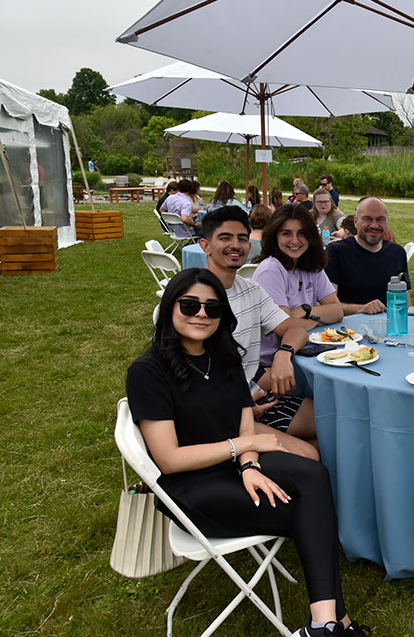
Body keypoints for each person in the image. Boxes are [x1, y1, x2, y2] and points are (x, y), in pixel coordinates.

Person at [125, 268, 366, 637]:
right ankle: (333, 623)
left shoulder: (224, 359)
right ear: (170, 308)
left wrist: (249, 465)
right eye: (189, 305)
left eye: (212, 308)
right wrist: (244, 448)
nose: (201, 314)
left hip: (232, 467)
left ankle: (326, 623)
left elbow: (243, 425)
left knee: (314, 477)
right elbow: (170, 459)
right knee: (310, 511)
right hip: (189, 488)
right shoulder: (148, 371)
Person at [198, 206, 318, 458]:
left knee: (334, 419)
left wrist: (283, 354)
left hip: (255, 399)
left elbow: (294, 328)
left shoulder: (251, 291)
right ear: (205, 246)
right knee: (310, 454)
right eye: (225, 238)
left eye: (242, 238)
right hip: (218, 414)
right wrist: (237, 408)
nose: (236, 245)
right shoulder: (189, 299)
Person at [252, 204, 343, 446]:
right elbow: (288, 328)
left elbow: (337, 310)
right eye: (286, 233)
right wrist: (311, 318)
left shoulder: (308, 265)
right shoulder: (271, 270)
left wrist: (304, 311)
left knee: (332, 426)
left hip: (301, 360)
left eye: (302, 233)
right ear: (274, 236)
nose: (295, 240)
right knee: (339, 416)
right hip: (268, 375)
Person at [325, 196, 410, 315]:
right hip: (348, 329)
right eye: (367, 219)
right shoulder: (336, 251)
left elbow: (406, 304)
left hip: (389, 328)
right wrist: (362, 308)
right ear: (356, 222)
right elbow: (328, 306)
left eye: (380, 219)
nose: (374, 225)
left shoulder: (397, 252)